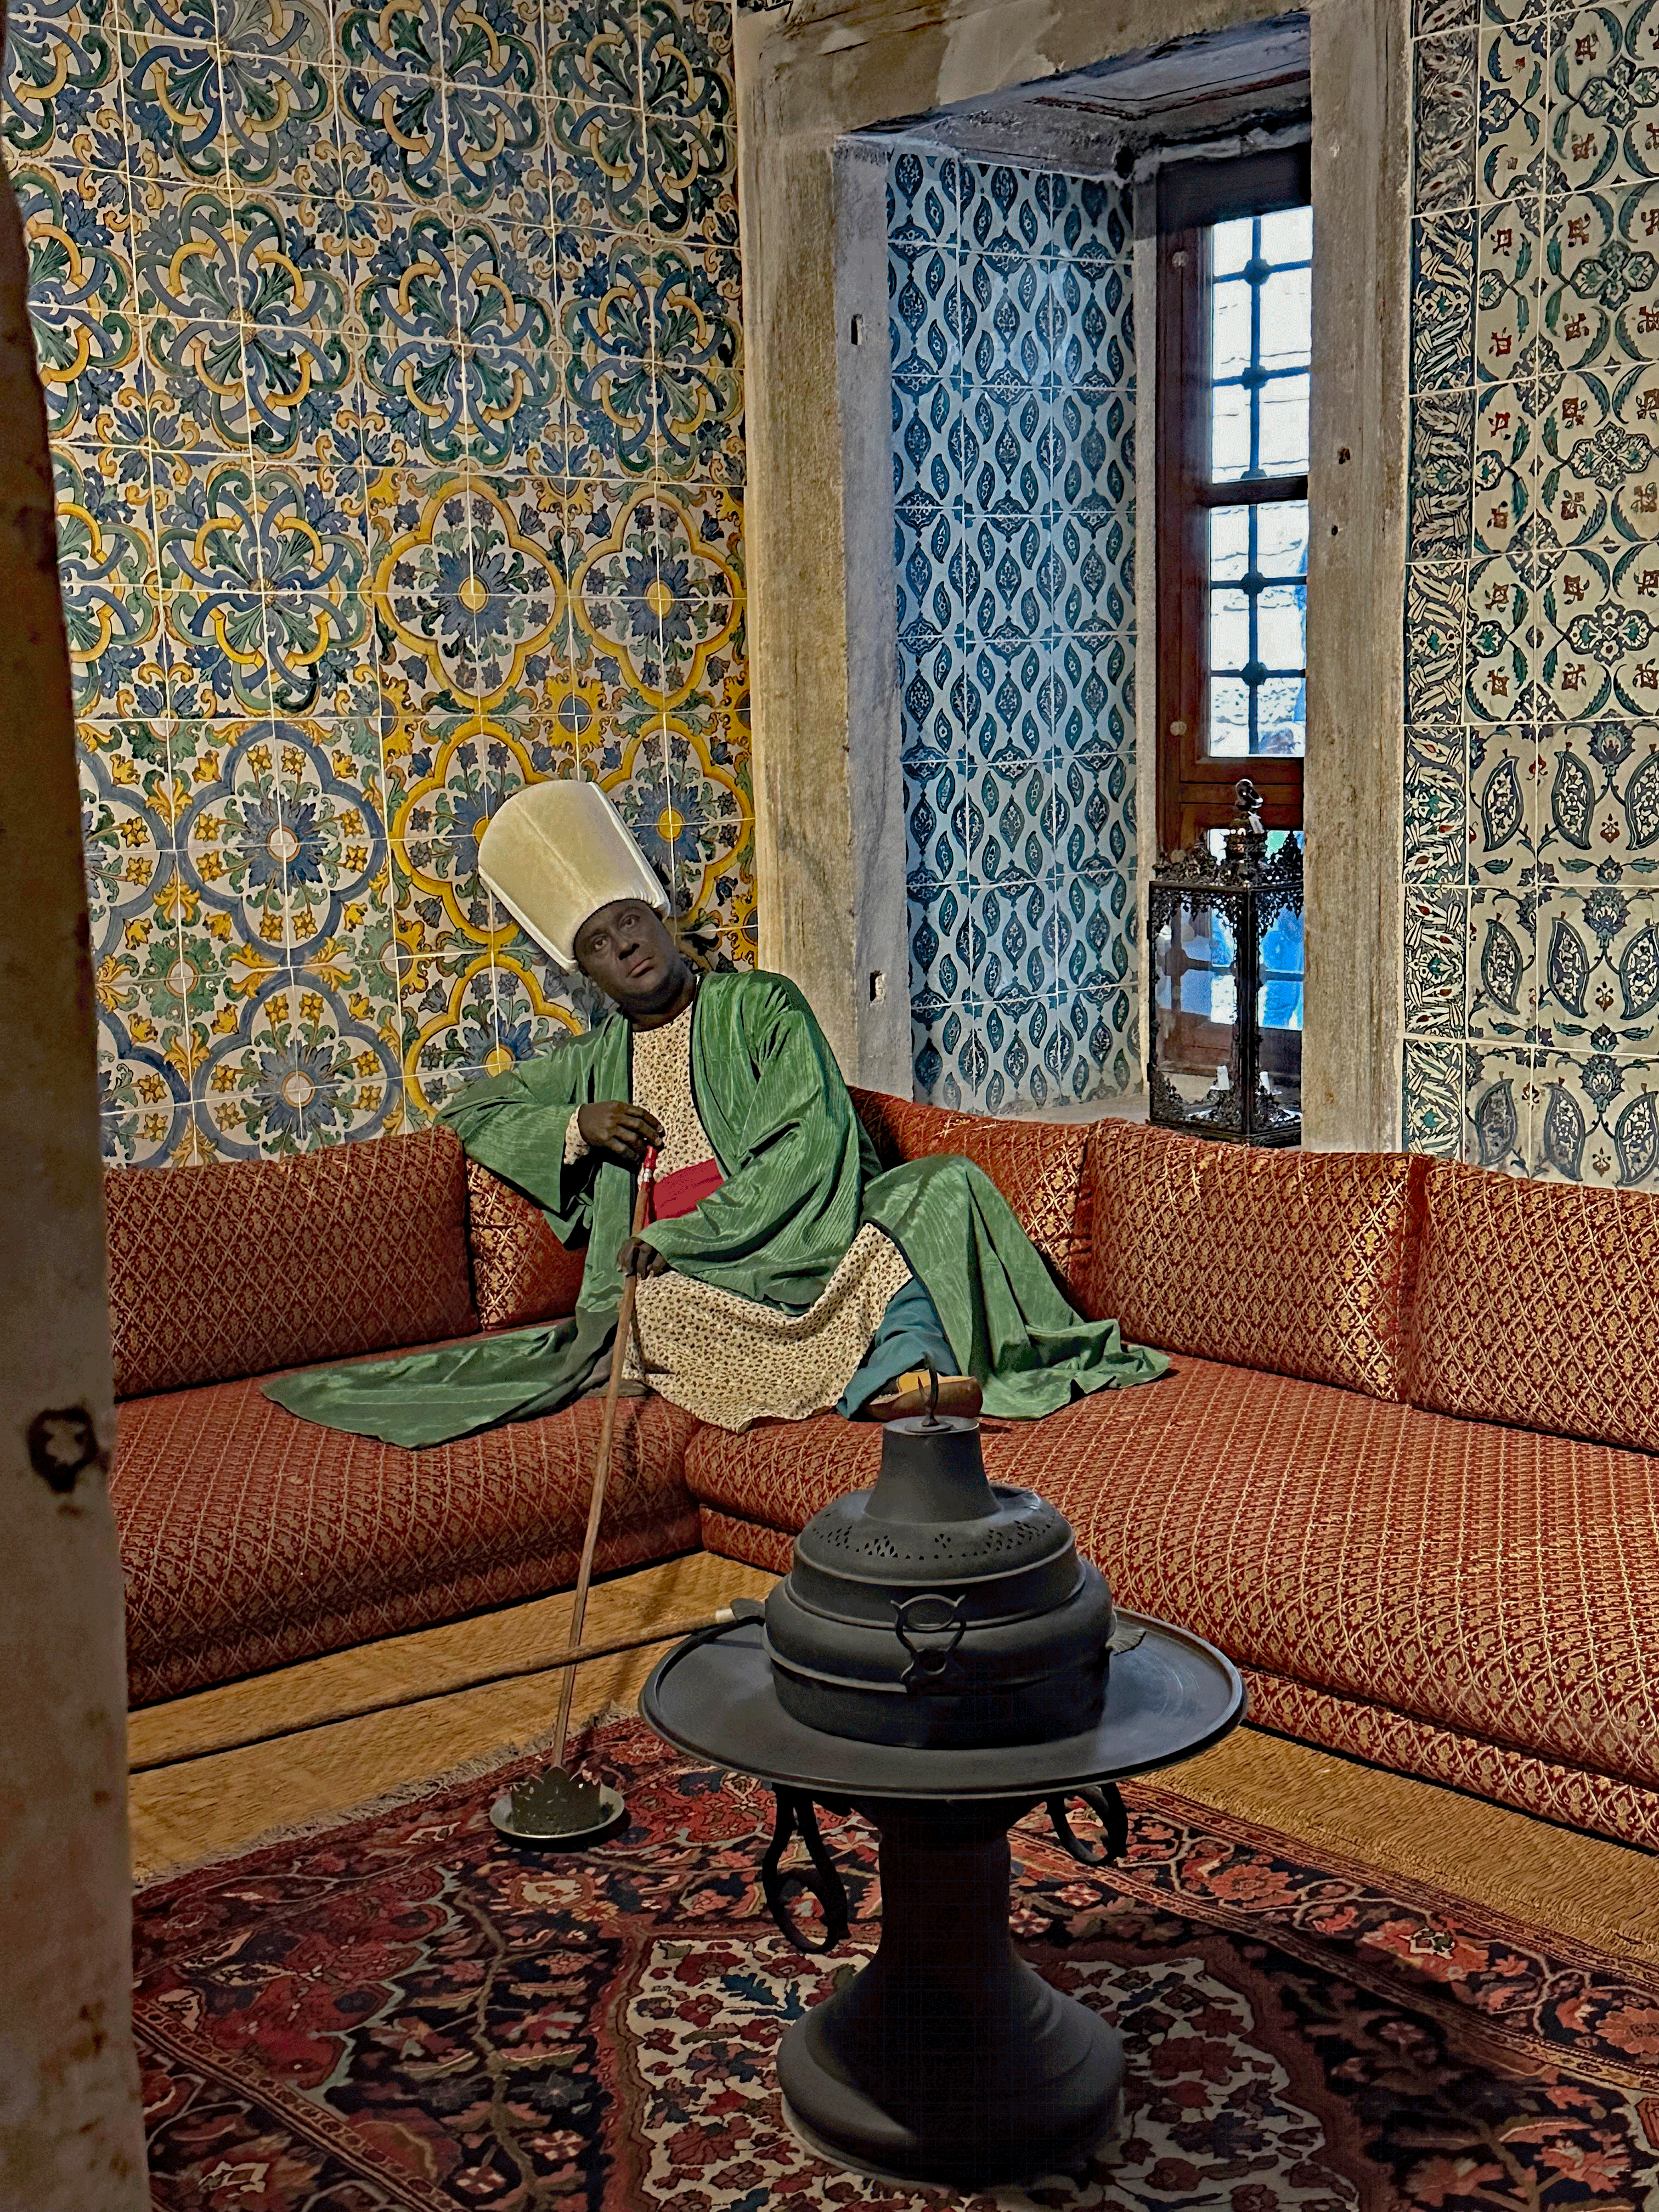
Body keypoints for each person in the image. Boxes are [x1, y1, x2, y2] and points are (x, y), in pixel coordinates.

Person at [265, 784, 1167, 1447]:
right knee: (641, 1319)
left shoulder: (761, 1009)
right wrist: (576, 1129)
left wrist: (692, 1233)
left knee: (935, 1194)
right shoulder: (592, 1062)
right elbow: (472, 1107)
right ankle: (870, 1372)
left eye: (630, 924)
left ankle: (910, 1379)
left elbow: (813, 1148)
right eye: (599, 946)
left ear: (661, 920)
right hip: (690, 1292)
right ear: (589, 975)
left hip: (796, 1245)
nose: (624, 947)